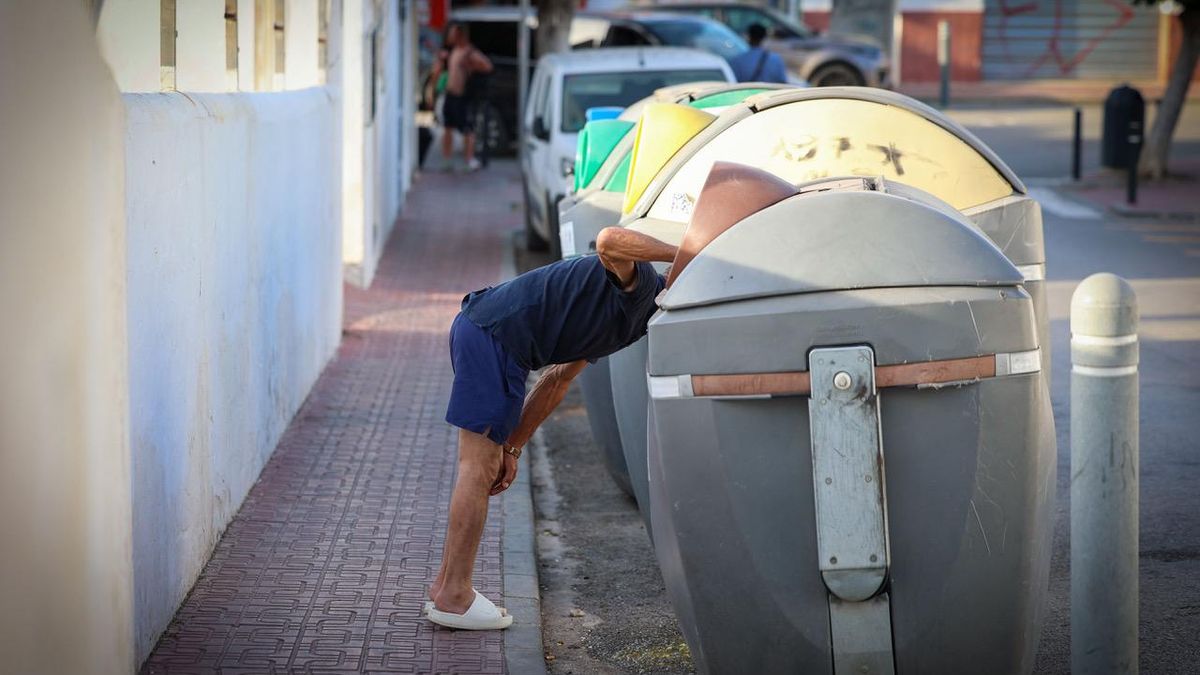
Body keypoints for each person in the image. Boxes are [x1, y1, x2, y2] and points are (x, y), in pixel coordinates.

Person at [425, 227, 677, 630]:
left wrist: (513, 447)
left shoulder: (632, 323)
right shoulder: (642, 289)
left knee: (483, 465)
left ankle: (444, 588)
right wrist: (688, 252)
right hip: (496, 339)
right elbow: (609, 240)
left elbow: (557, 380)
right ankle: (455, 596)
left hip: (485, 332)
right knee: (476, 469)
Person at [430, 22, 493, 172]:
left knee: (467, 129)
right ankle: (447, 161)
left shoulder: (470, 52)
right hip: (450, 95)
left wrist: (471, 66)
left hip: (462, 96)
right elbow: (438, 71)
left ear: (460, 35)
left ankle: (468, 160)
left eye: (453, 33)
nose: (450, 37)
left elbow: (487, 66)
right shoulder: (452, 51)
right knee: (448, 127)